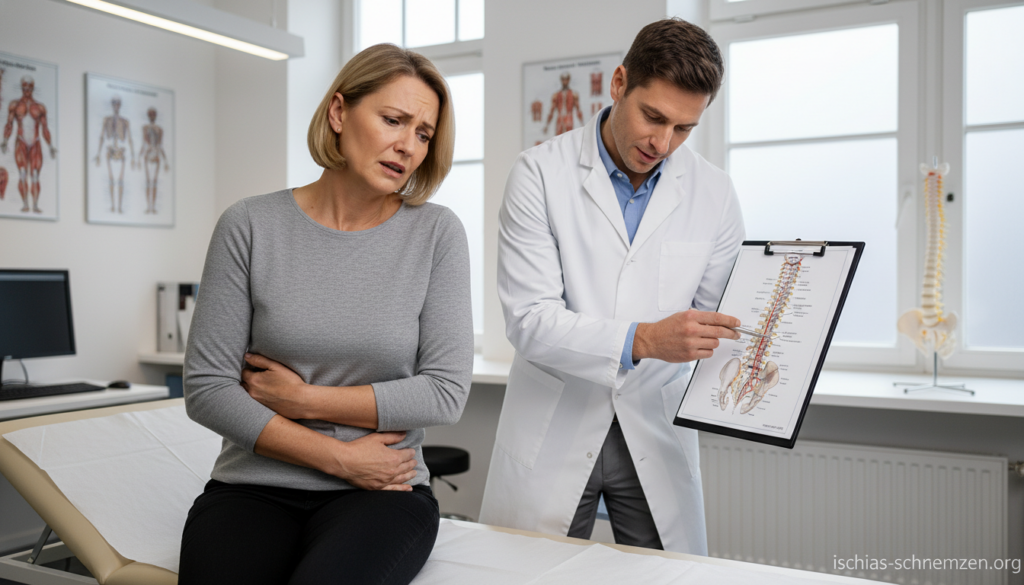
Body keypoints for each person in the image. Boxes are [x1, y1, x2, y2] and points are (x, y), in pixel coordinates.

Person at [180, 43, 473, 585]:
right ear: (339, 112)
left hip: (386, 491)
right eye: (393, 120)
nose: (407, 146)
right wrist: (337, 457)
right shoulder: (249, 225)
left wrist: (305, 400)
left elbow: (444, 392)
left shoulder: (436, 234)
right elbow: (207, 388)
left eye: (424, 133)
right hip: (252, 488)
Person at [479, 18, 745, 555]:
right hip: (556, 423)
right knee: (529, 570)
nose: (663, 142)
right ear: (619, 83)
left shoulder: (714, 192)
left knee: (667, 574)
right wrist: (643, 340)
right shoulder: (539, 174)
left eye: (684, 128)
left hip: (654, 426)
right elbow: (529, 320)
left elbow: (722, 317)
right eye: (654, 117)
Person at [1, 75, 57, 214]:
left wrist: (50, 146)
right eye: (24, 87)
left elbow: (45, 128)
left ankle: (36, 205)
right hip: (21, 142)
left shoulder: (39, 107)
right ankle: (25, 204)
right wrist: (5, 141)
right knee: (22, 174)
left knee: (36, 176)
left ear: (32, 88)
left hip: (35, 144)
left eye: (29, 88)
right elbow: (9, 124)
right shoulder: (15, 105)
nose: (27, 91)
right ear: (22, 87)